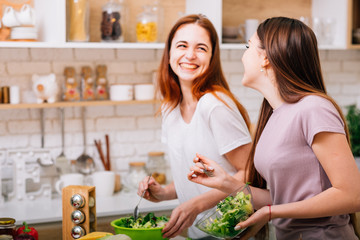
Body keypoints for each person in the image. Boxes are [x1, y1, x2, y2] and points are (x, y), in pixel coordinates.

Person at [188, 16, 360, 240]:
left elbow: (351, 195)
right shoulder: (273, 114)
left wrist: (270, 214)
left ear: (266, 57)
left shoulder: (314, 108)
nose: (243, 55)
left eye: (248, 46)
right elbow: (283, 199)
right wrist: (226, 183)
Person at [137, 14, 252, 239]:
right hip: (199, 233)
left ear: (211, 57)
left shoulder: (214, 105)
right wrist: (163, 193)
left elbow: (250, 174)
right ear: (169, 52)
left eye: (201, 48)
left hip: (233, 233)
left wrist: (197, 205)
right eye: (182, 45)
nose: (190, 55)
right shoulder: (170, 107)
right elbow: (191, 180)